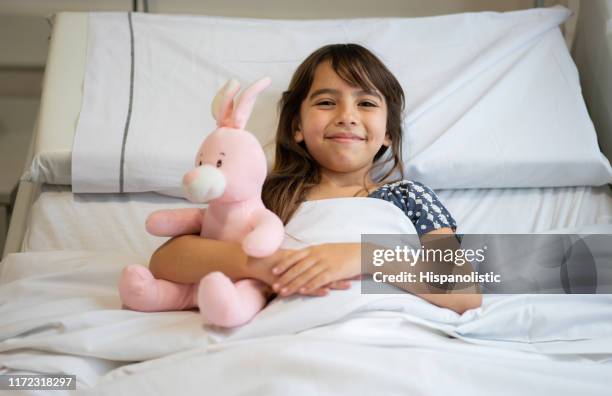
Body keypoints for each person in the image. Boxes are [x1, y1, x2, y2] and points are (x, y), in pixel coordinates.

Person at [149, 43, 482, 314]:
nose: (347, 116)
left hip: (389, 331)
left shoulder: (411, 197)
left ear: (388, 135)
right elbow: (165, 262)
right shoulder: (268, 197)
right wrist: (260, 266)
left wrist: (362, 256)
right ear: (297, 127)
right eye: (326, 102)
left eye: (365, 103)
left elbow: (464, 290)